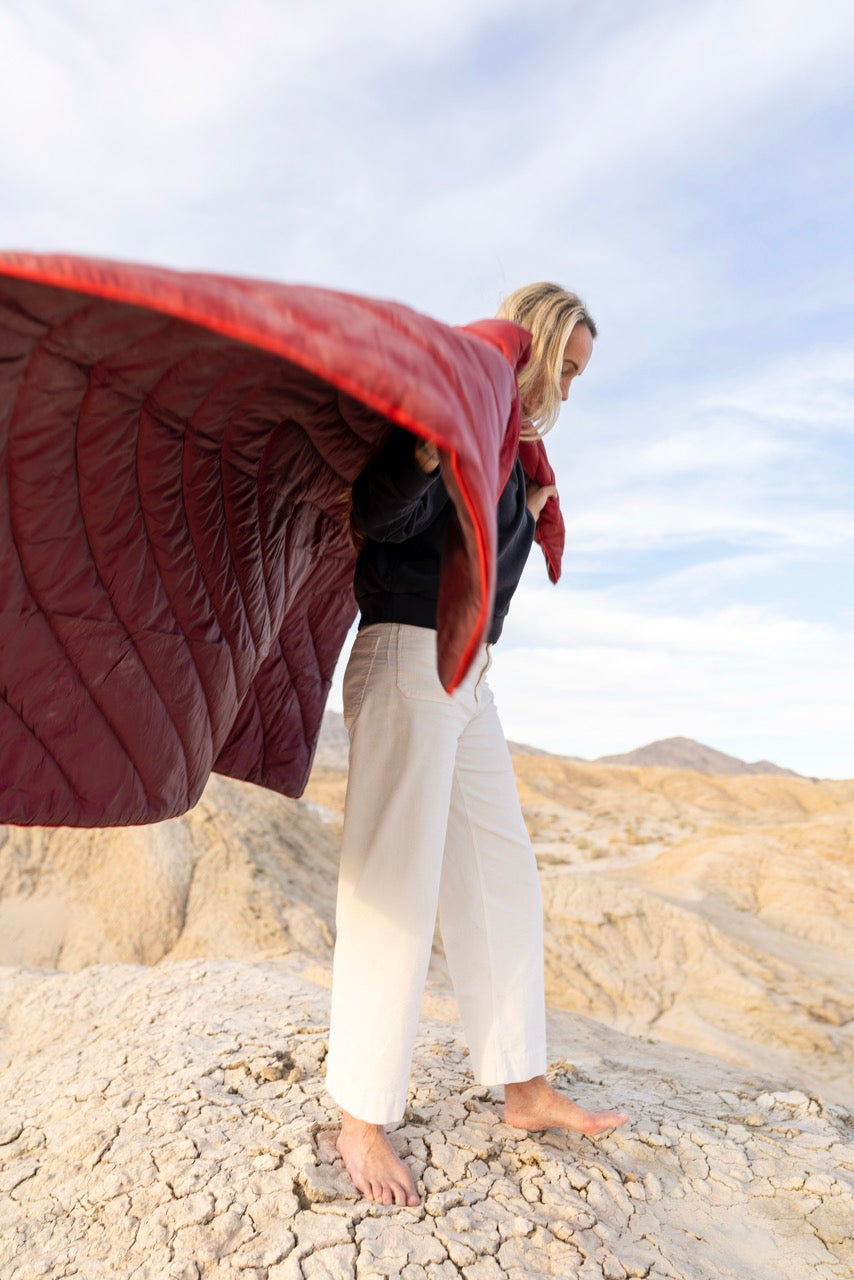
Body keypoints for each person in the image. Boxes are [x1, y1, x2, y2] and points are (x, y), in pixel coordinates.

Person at [326, 282, 628, 1208]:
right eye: (565, 372)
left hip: (466, 674)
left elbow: (485, 582)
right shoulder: (456, 406)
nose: (568, 396)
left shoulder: (514, 452)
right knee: (396, 891)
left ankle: (523, 1085)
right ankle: (360, 1115)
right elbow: (381, 518)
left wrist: (524, 494)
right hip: (407, 655)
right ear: (531, 346)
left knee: (502, 876)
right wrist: (437, 440)